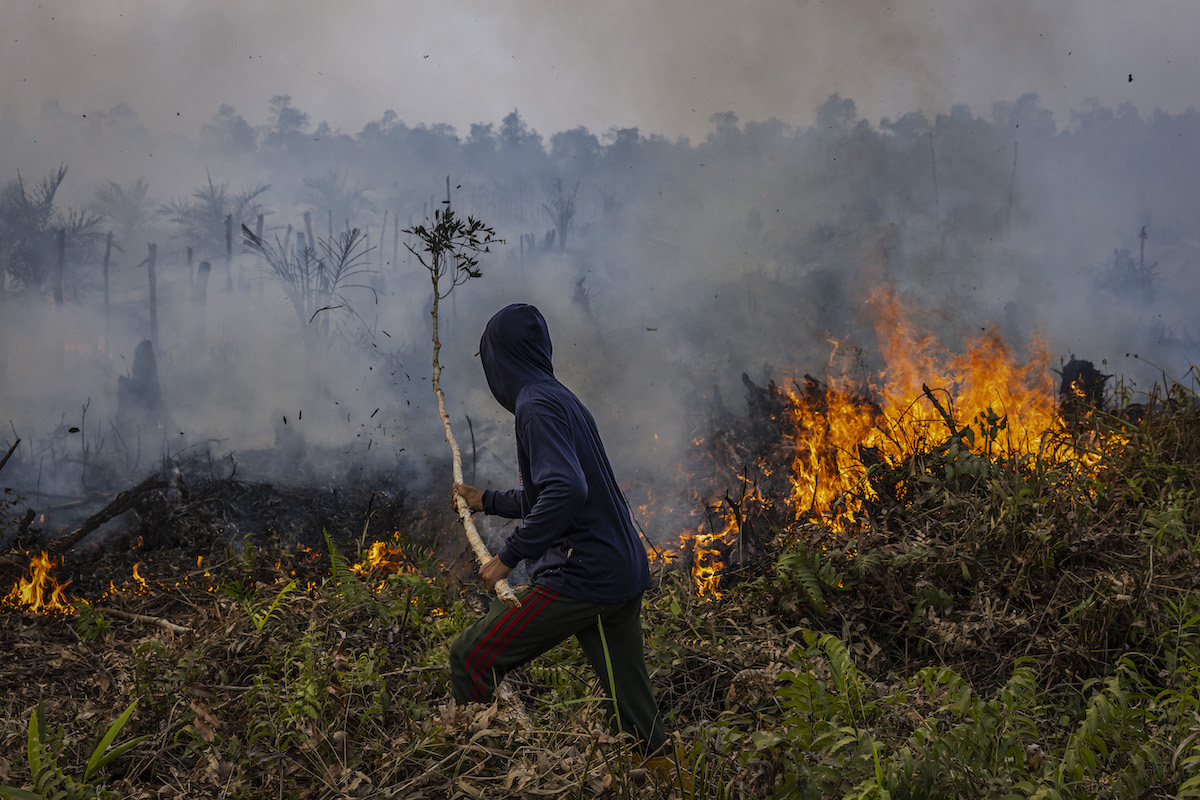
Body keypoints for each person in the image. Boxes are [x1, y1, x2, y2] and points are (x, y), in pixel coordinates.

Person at [448, 303, 667, 758]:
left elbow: (566, 489)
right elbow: (550, 491)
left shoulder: (534, 403)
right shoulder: (559, 396)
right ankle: (665, 774)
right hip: (619, 568)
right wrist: (485, 501)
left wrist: (507, 556)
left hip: (583, 575)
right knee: (632, 708)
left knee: (470, 657)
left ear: (500, 359)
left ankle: (484, 772)